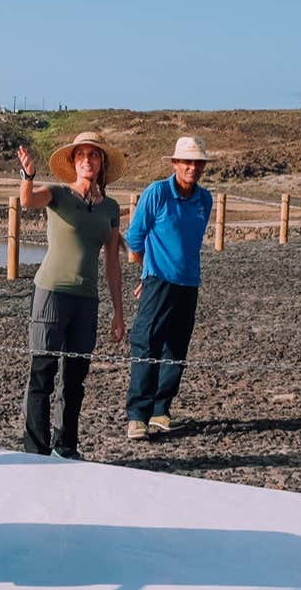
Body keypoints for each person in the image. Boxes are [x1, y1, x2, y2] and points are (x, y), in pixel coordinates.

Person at [13, 133, 127, 459]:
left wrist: (118, 312)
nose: (88, 160)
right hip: (51, 292)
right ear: (74, 162)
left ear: (101, 163)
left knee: (75, 379)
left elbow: (112, 262)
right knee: (43, 373)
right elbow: (27, 201)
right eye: (81, 155)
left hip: (86, 299)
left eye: (94, 155)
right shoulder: (58, 194)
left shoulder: (110, 208)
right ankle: (35, 450)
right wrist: (28, 176)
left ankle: (66, 446)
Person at [123, 136, 213, 440]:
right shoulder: (157, 193)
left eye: (197, 162)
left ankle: (161, 411)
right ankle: (138, 415)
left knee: (176, 347)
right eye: (186, 161)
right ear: (175, 164)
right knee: (146, 343)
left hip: (189, 283)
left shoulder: (205, 199)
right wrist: (147, 274)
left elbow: (191, 243)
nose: (192, 167)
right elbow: (134, 239)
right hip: (158, 281)